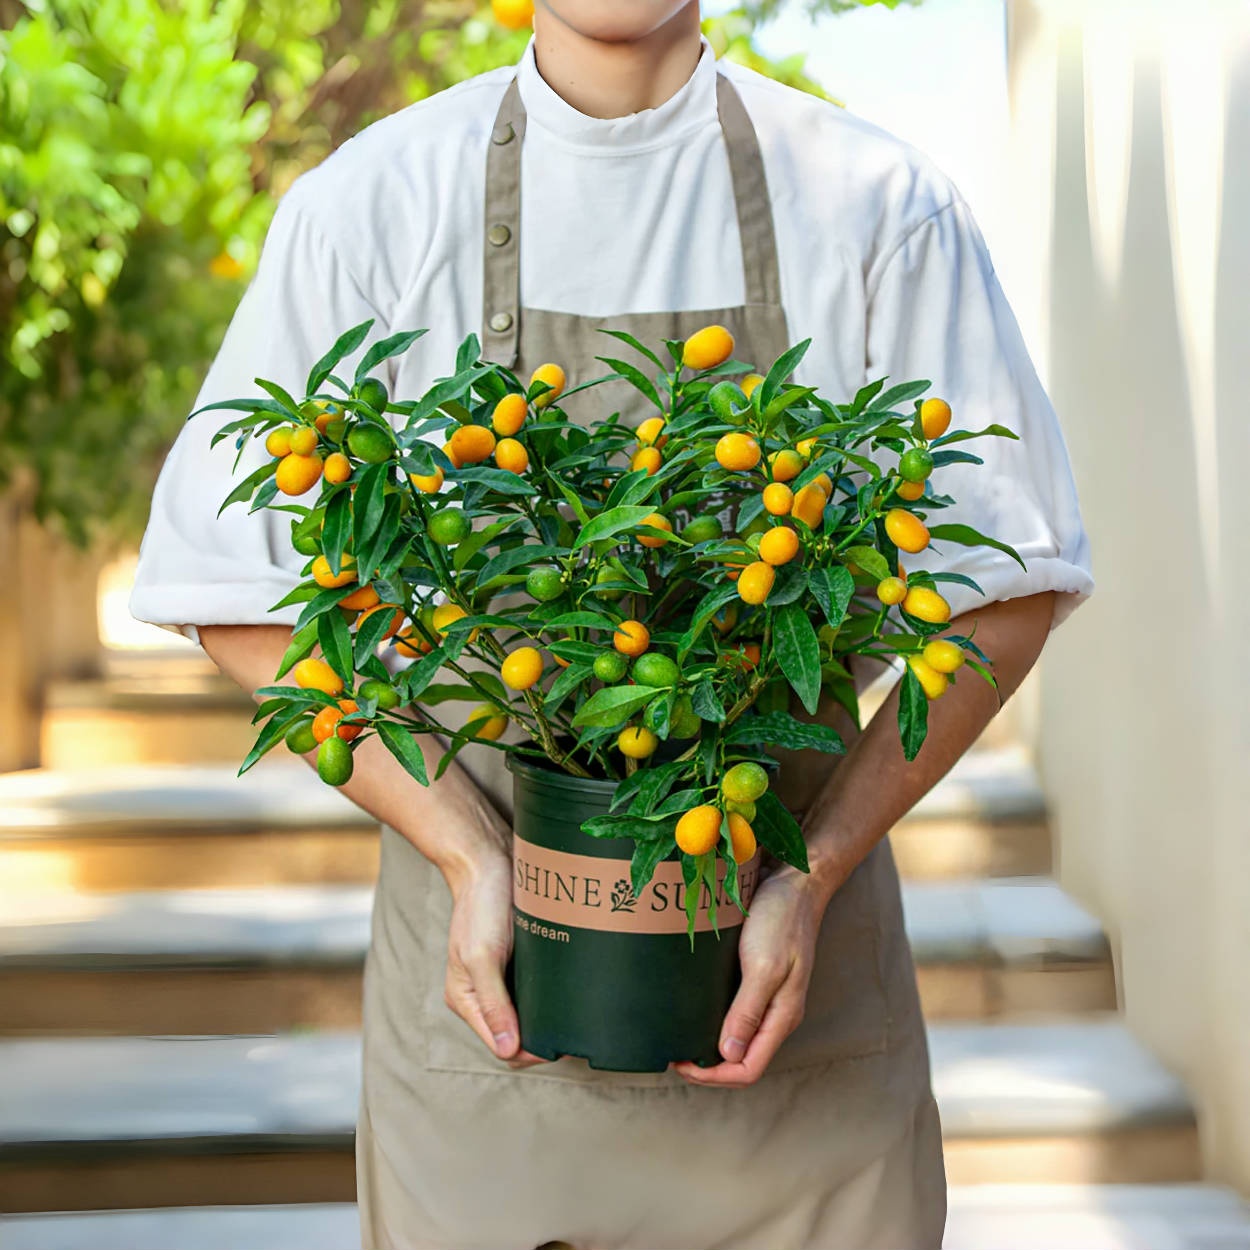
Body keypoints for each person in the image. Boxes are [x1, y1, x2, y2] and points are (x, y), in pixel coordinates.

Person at [129, 2, 1095, 1247]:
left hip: (792, 1033)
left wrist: (808, 869)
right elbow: (227, 583)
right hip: (493, 1047)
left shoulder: (872, 202)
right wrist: (469, 851)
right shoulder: (373, 202)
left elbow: (1009, 582)